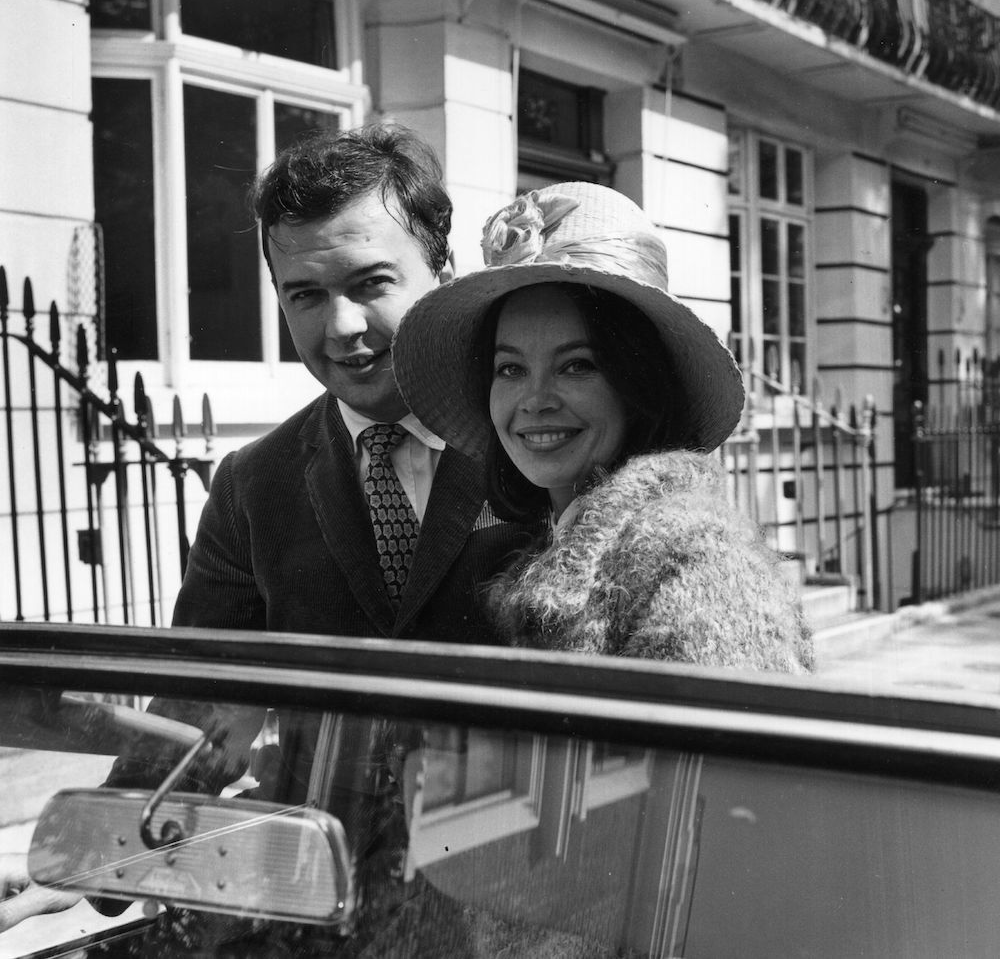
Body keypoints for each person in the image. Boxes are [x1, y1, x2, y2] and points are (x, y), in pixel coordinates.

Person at [0, 124, 544, 946]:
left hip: (516, 911)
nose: (343, 326)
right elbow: (199, 711)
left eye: (371, 282)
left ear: (443, 274)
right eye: (306, 295)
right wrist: (84, 866)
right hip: (331, 913)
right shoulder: (254, 484)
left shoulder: (535, 442)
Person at [392, 181, 813, 673]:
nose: (535, 401)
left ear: (637, 384)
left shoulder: (697, 559)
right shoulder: (551, 542)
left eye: (577, 366)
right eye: (510, 369)